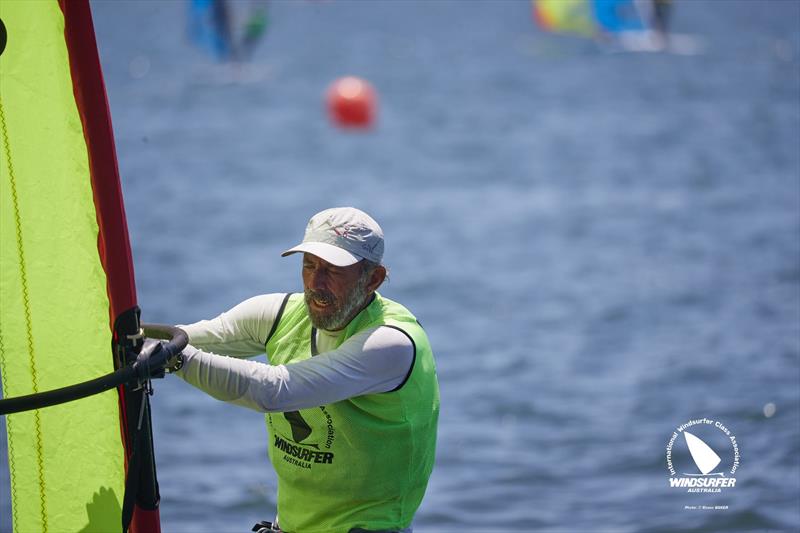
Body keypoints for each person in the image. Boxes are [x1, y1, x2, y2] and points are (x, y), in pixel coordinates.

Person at [167, 207, 440, 533]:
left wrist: (171, 359)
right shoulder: (279, 313)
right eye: (309, 265)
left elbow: (275, 390)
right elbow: (184, 338)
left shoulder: (390, 344)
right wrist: (127, 340)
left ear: (373, 279)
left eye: (333, 270)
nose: (315, 282)